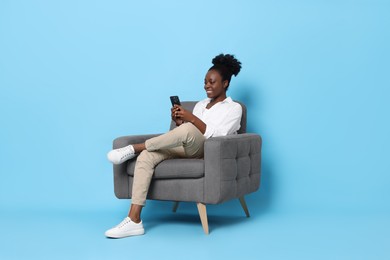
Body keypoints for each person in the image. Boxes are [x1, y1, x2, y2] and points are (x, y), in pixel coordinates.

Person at [105, 54, 242, 238]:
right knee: (148, 156)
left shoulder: (233, 108)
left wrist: (191, 119)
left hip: (208, 151)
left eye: (212, 82)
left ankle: (134, 148)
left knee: (186, 130)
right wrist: (178, 121)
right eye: (205, 82)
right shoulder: (201, 104)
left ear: (225, 83)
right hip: (186, 145)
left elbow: (219, 135)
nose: (207, 86)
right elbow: (185, 132)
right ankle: (134, 220)